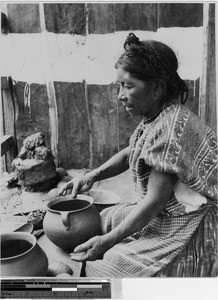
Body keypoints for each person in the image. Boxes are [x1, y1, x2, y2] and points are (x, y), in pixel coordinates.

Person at [59, 33, 217, 277]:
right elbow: (132, 153)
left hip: (189, 223)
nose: (120, 95)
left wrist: (108, 242)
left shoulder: (170, 128)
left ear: (156, 87)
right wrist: (91, 176)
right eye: (119, 85)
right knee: (105, 218)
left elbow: (154, 202)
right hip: (164, 211)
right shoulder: (158, 114)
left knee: (106, 266)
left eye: (128, 86)